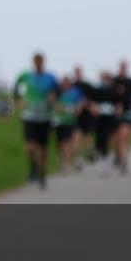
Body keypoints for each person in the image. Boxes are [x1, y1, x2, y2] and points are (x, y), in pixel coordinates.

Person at [14, 53, 58, 189]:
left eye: (41, 62)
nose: (38, 64)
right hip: (29, 116)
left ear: (43, 62)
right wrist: (19, 99)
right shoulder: (26, 76)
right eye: (36, 62)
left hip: (45, 117)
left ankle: (42, 174)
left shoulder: (51, 77)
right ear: (33, 62)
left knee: (43, 149)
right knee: (30, 147)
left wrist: (53, 97)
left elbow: (58, 91)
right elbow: (15, 88)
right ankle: (33, 167)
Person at [112, 60, 131, 174]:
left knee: (124, 137)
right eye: (121, 67)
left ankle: (124, 161)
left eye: (124, 67)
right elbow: (109, 94)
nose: (123, 69)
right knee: (115, 138)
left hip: (127, 112)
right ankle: (117, 155)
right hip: (115, 113)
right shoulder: (114, 80)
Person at [52, 75, 84, 172]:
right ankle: (62, 159)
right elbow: (55, 106)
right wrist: (66, 109)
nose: (65, 84)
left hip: (70, 121)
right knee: (59, 143)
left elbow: (79, 106)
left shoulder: (75, 93)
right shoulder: (58, 92)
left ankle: (66, 163)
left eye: (67, 82)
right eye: (63, 82)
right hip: (59, 121)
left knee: (68, 142)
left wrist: (74, 109)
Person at [90, 70, 119, 176]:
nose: (105, 79)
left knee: (108, 139)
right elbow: (92, 102)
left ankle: (108, 160)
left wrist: (117, 110)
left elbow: (117, 103)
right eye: (103, 77)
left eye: (107, 77)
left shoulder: (113, 90)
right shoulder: (97, 89)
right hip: (99, 118)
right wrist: (94, 108)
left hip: (110, 118)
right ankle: (101, 157)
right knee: (99, 139)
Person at [72, 65, 96, 163]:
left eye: (79, 72)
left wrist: (90, 106)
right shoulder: (72, 85)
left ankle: (90, 151)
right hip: (77, 114)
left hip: (87, 114)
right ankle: (78, 157)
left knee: (88, 135)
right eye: (76, 72)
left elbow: (93, 97)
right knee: (77, 135)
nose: (78, 74)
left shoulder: (87, 85)